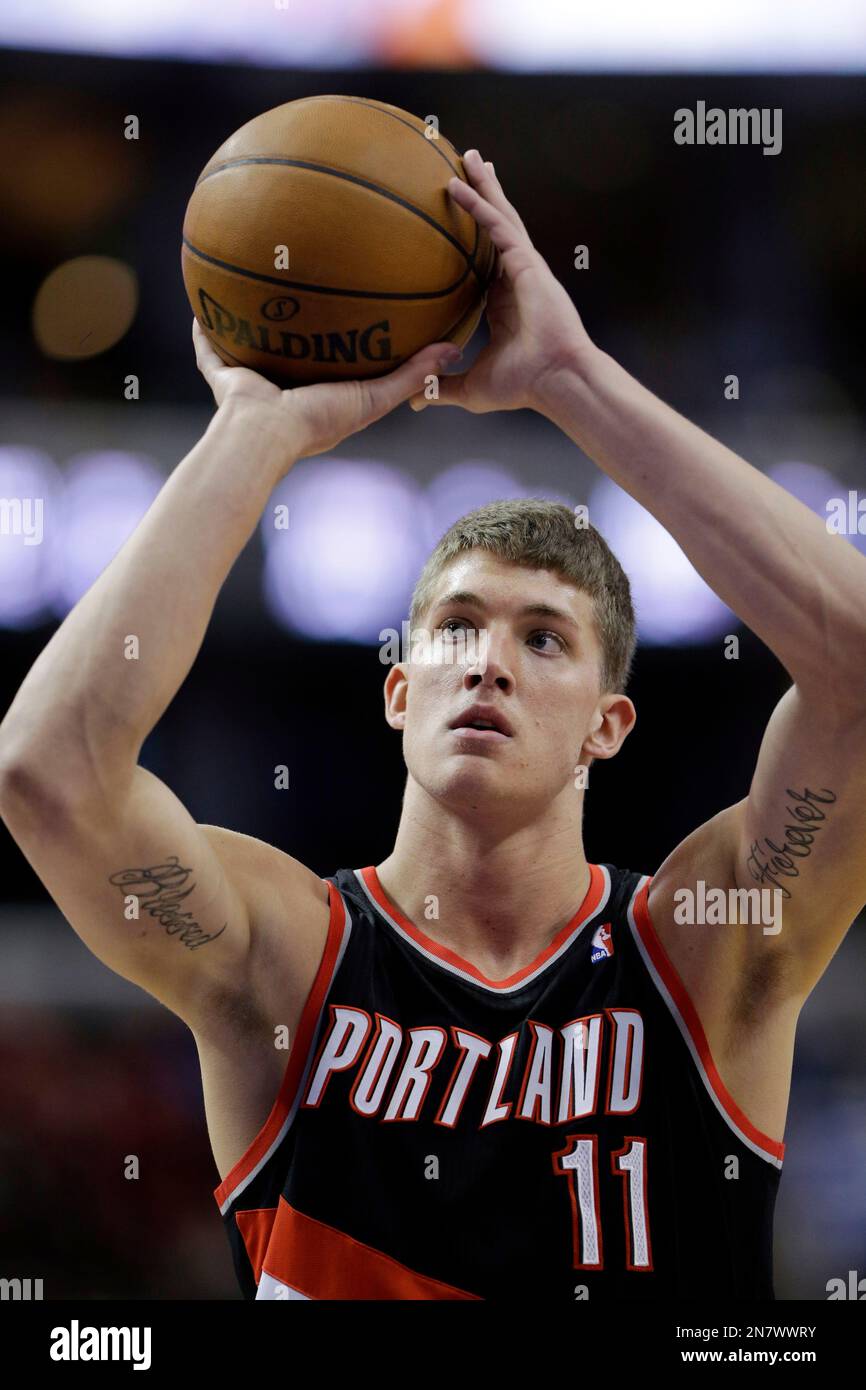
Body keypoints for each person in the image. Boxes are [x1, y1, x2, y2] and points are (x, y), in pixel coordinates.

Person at [1, 149, 864, 1301]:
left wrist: (570, 376)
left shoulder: (703, 955)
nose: (488, 663)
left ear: (608, 726)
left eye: (542, 638)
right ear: (399, 691)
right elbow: (46, 769)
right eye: (454, 628)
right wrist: (253, 431)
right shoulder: (285, 961)